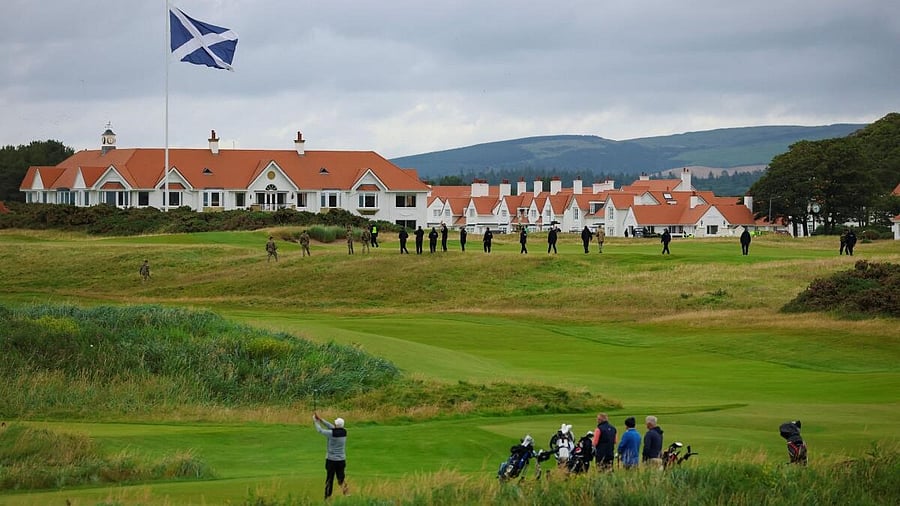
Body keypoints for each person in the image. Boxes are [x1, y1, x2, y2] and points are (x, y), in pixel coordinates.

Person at [313, 412, 349, 499]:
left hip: (331, 460)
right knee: (341, 478)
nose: (333, 424)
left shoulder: (331, 434)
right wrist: (321, 419)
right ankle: (346, 493)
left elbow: (320, 430)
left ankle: (327, 497)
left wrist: (315, 421)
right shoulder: (344, 432)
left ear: (336, 425)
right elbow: (331, 427)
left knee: (330, 479)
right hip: (341, 460)